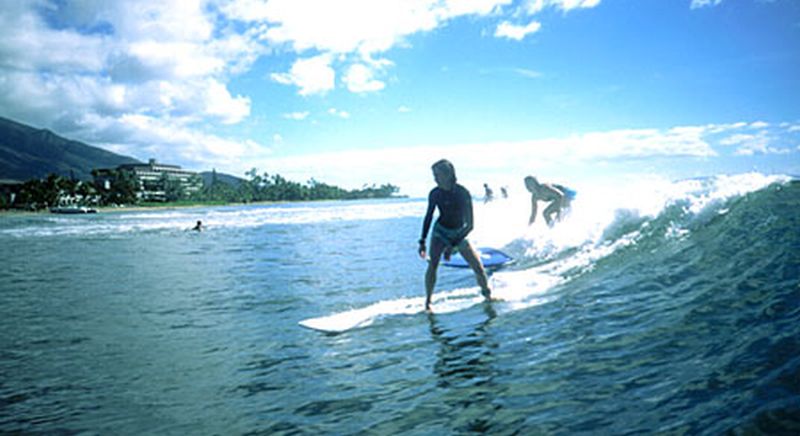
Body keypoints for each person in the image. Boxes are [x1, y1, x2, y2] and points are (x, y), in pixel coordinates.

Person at [419, 160, 492, 311]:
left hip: (460, 232)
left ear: (449, 174)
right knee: (433, 265)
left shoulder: (462, 193)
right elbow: (428, 217)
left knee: (478, 268)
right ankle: (428, 303)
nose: (435, 179)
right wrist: (422, 241)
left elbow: (470, 225)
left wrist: (452, 245)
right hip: (440, 231)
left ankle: (488, 296)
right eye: (434, 176)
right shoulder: (435, 193)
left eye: (438, 175)